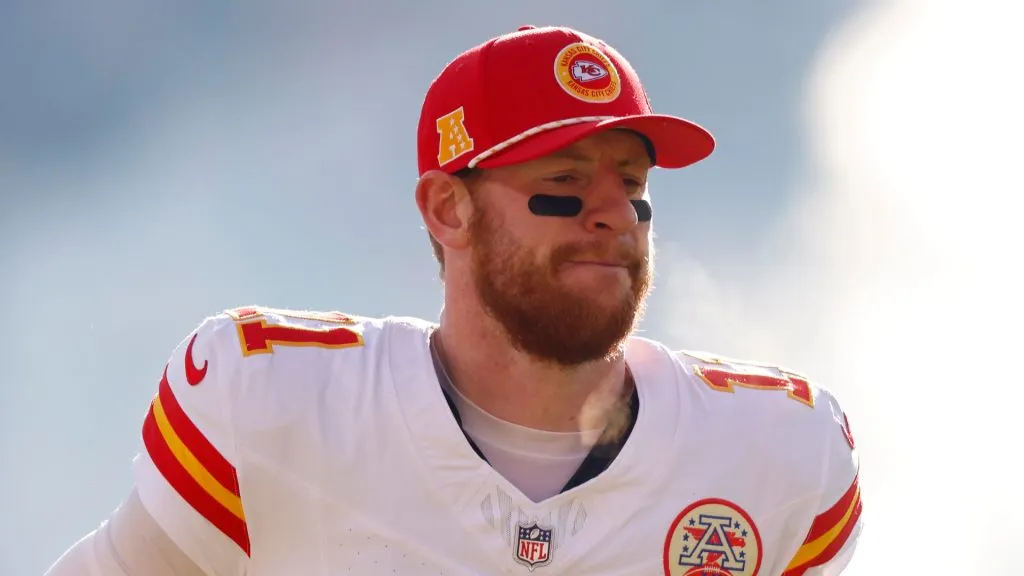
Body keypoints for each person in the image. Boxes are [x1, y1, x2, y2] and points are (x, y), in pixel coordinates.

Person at [45, 25, 862, 576]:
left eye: (633, 185)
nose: (612, 213)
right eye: (564, 184)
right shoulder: (273, 405)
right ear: (447, 209)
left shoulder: (776, 455)